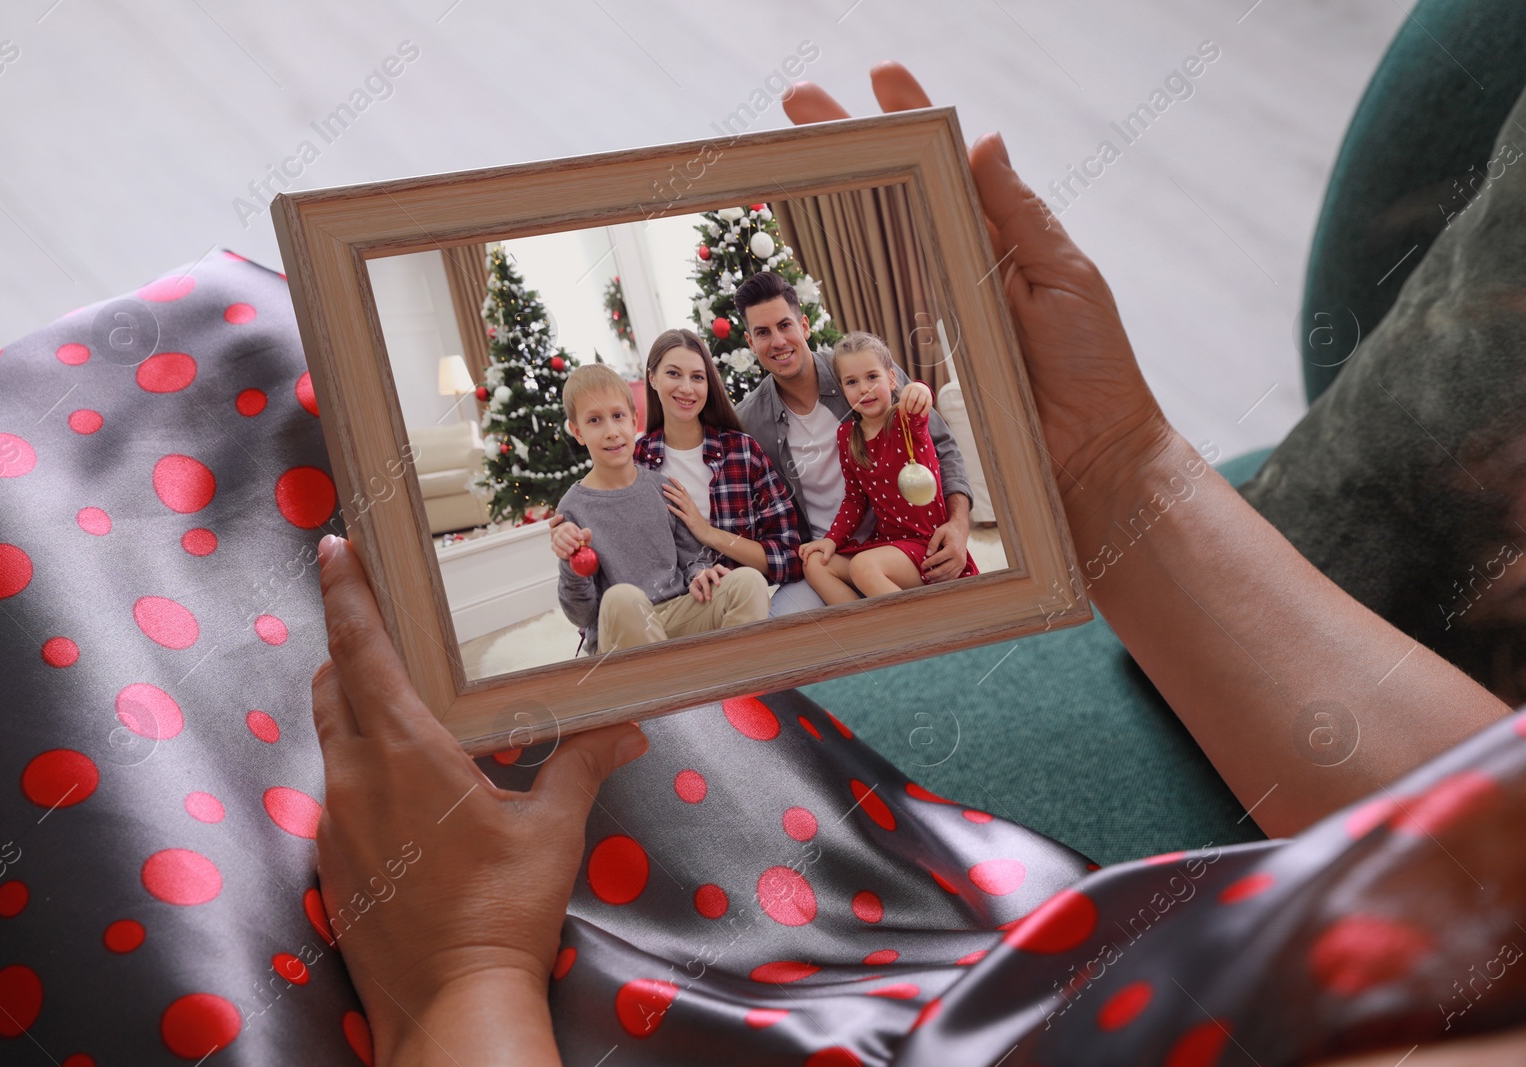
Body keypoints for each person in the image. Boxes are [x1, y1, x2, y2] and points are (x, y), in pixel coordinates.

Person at [307, 63, 1522, 1065]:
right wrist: (1115, 475)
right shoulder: (648, 464)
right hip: (1009, 954)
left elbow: (760, 531)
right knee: (287, 384)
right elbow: (1487, 861)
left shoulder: (804, 428)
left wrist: (452, 989)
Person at [732, 271, 976, 617]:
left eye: (785, 326)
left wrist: (958, 526)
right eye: (762, 333)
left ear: (804, 325)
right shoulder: (750, 422)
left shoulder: (861, 369)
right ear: (750, 342)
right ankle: (878, 627)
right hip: (834, 554)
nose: (777, 341)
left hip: (899, 539)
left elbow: (942, 446)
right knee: (777, 621)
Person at [550, 363, 769, 654]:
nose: (612, 432)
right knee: (622, 598)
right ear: (578, 433)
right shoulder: (572, 508)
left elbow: (692, 558)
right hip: (623, 630)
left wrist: (699, 574)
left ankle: (728, 686)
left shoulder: (660, 487)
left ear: (634, 421)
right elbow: (582, 615)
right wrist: (570, 562)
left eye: (617, 416)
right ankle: (680, 693)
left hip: (677, 613)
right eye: (594, 421)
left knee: (748, 582)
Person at [800, 331, 979, 604]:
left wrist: (919, 389)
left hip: (927, 546)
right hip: (887, 543)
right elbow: (855, 499)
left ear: (892, 378)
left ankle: (920, 629)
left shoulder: (905, 419)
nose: (864, 388)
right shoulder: (846, 435)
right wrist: (832, 540)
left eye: (873, 377)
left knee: (863, 566)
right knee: (815, 562)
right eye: (852, 382)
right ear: (843, 389)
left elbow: (920, 400)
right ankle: (869, 630)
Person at [631, 328, 802, 588]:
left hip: (751, 595)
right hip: (680, 606)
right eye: (673, 374)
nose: (686, 388)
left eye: (697, 377)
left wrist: (709, 533)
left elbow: (788, 556)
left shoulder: (743, 452)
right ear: (652, 378)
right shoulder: (636, 462)